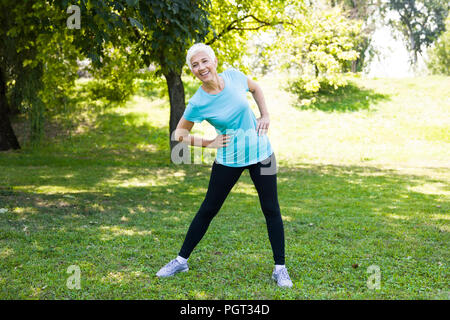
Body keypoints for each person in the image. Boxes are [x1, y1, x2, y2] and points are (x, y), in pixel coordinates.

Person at [156, 43, 292, 288]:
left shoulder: (235, 77)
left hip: (263, 153)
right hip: (228, 159)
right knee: (208, 209)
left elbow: (256, 88)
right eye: (195, 65)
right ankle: (181, 260)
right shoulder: (198, 102)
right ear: (192, 71)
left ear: (214, 61)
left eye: (204, 61)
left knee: (271, 209)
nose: (201, 68)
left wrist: (266, 115)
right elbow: (179, 134)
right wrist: (208, 142)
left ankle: (280, 269)